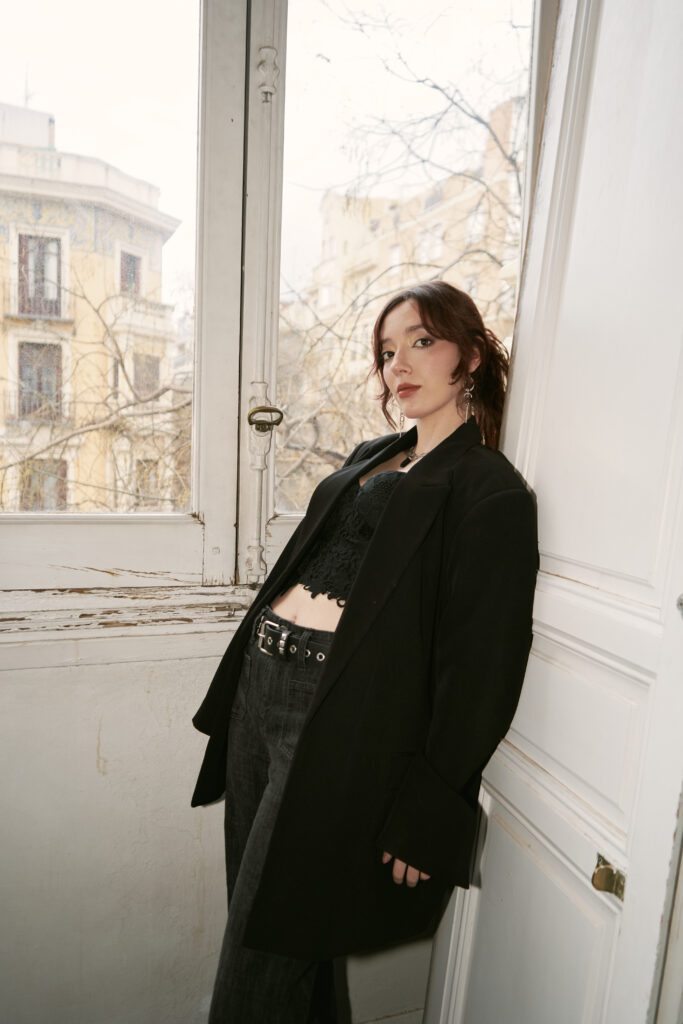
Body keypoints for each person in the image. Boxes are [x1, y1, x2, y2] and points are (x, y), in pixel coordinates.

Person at [191, 280, 540, 1023]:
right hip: (261, 689)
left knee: (262, 951)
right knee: (285, 936)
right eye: (387, 352)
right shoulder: (376, 454)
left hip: (338, 722)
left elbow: (481, 668)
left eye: (422, 342)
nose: (398, 366)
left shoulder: (489, 489)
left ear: (471, 357)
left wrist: (428, 806)